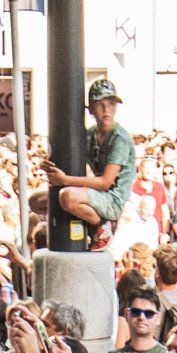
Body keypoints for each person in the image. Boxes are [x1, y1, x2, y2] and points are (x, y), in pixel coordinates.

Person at [44, 78, 136, 244]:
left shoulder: (119, 139)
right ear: (91, 109)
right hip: (98, 194)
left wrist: (64, 180)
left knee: (68, 196)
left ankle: (102, 226)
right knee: (37, 201)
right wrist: (50, 164)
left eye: (111, 104)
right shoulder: (91, 134)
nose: (106, 110)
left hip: (113, 199)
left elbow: (105, 182)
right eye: (100, 105)